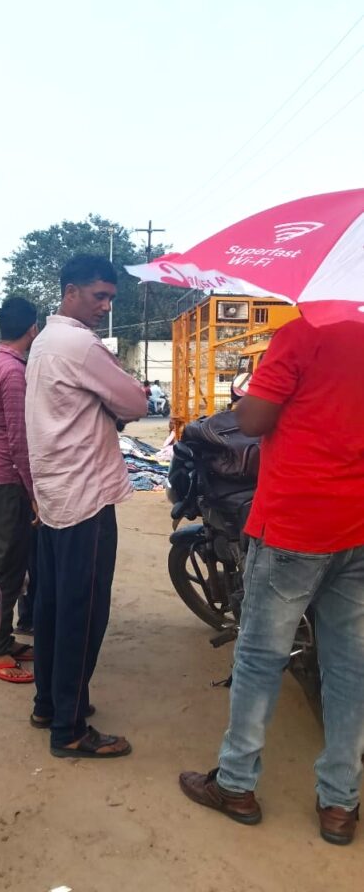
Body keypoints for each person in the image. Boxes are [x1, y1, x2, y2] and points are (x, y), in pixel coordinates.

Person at [179, 315, 364, 846]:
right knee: (349, 667)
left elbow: (254, 420)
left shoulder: (304, 333)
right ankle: (339, 804)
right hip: (355, 527)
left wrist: (249, 397)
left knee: (260, 657)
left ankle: (235, 784)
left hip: (294, 524)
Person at [25, 254, 148, 757]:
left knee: (54, 607)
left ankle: (49, 704)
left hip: (56, 494)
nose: (105, 306)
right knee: (84, 611)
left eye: (110, 298)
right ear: (70, 291)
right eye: (99, 296)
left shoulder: (42, 343)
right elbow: (137, 403)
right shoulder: (79, 344)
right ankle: (70, 727)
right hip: (87, 497)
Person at [0, 296, 39, 684]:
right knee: (7, 567)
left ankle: (4, 638)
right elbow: (19, 439)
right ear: (32, 329)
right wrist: (33, 491)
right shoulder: (13, 371)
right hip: (9, 481)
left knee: (10, 564)